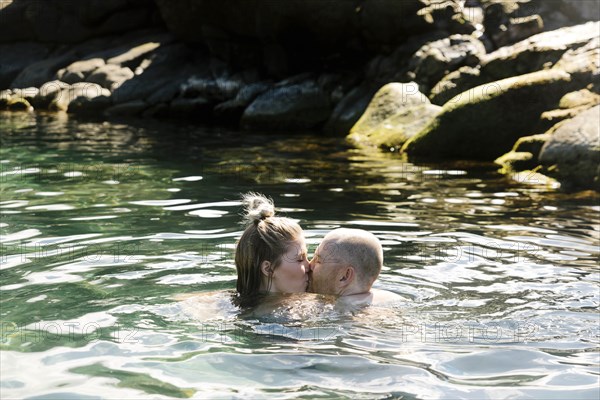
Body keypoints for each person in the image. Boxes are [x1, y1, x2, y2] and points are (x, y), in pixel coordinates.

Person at [234, 192, 310, 306]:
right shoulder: (301, 311)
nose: (309, 266)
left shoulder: (219, 305)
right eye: (300, 259)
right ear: (268, 269)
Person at [308, 228, 403, 308]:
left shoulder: (327, 308)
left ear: (345, 276)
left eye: (318, 261)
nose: (310, 265)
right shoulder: (396, 300)